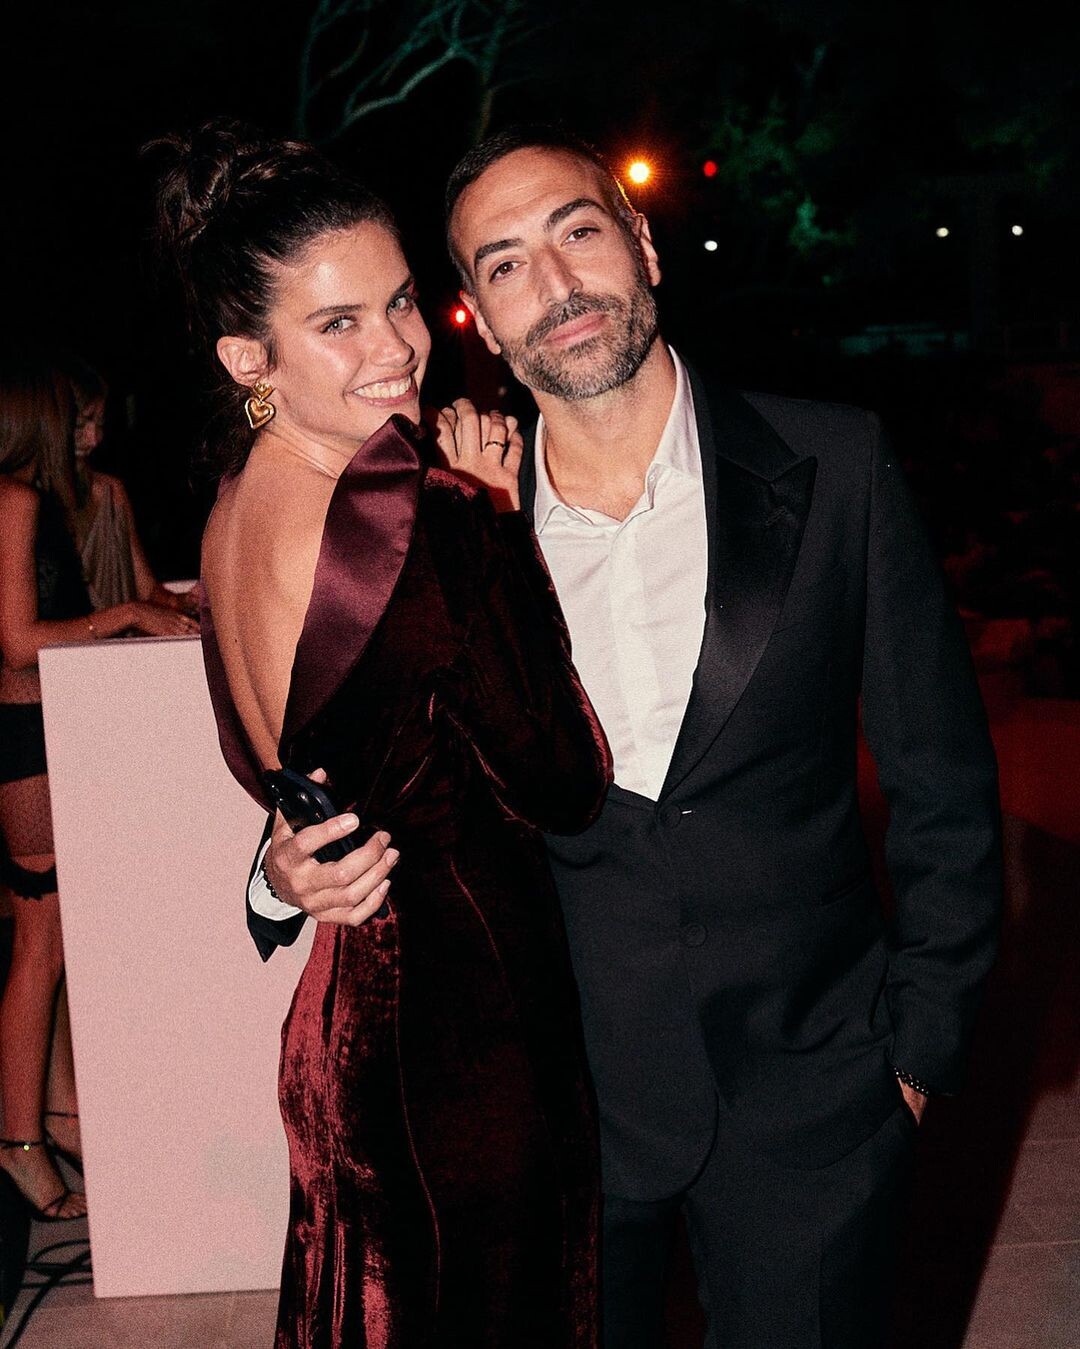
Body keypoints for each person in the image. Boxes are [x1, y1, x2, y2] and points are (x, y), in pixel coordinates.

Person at [254, 126, 1004, 1348]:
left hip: (818, 1096)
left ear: (642, 245)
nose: (555, 285)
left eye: (578, 231)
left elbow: (945, 786)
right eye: (505, 265)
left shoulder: (835, 462)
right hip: (557, 1117)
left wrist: (917, 1051)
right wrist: (281, 869)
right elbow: (365, 770)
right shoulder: (446, 529)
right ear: (477, 318)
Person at [151, 121, 611, 1346]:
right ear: (248, 356)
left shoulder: (229, 515)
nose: (397, 346)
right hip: (468, 1041)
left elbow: (307, 769)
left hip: (339, 1023)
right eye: (338, 323)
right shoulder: (425, 509)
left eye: (400, 301)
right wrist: (497, 517)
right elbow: (562, 777)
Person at [0, 358, 198, 1224]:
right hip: (26, 734)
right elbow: (17, 641)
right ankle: (19, 1141)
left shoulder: (34, 498)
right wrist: (122, 615)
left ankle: (55, 1117)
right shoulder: (15, 499)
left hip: (47, 726)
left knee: (55, 942)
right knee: (41, 946)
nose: (87, 428)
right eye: (72, 413)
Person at [62, 356, 199, 616]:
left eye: (100, 424)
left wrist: (184, 601)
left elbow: (146, 589)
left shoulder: (111, 492)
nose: (94, 438)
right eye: (81, 424)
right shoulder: (21, 500)